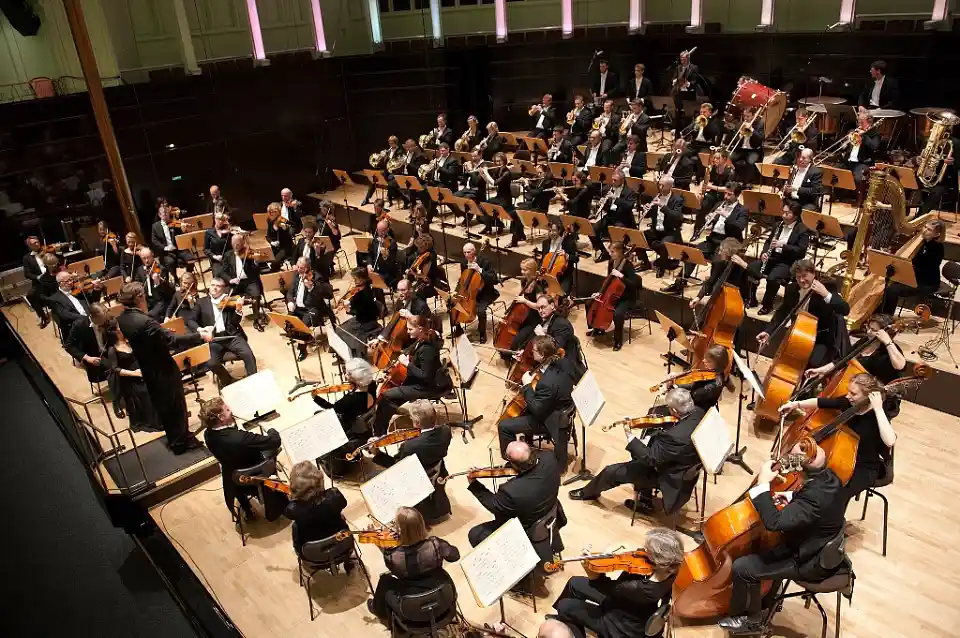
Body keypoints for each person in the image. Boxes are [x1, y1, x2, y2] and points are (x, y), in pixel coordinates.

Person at [718, 441, 846, 634]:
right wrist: (793, 499)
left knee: (743, 567)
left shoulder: (814, 499)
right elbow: (815, 504)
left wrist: (763, 484)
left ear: (797, 468)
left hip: (810, 560)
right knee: (770, 547)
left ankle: (751, 621)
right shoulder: (831, 477)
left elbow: (774, 523)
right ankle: (766, 600)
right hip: (816, 544)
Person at [569, 388, 704, 515]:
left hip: (667, 476)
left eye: (669, 408)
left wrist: (630, 437)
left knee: (612, 471)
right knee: (638, 451)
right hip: (682, 465)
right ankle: (645, 498)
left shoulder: (675, 437)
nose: (668, 411)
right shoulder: (698, 412)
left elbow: (650, 459)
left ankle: (588, 492)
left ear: (675, 410)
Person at [117, 282, 212, 454]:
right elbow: (172, 340)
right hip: (163, 369)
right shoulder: (145, 322)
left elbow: (154, 337)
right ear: (139, 297)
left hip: (147, 367)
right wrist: (200, 335)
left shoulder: (123, 318)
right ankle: (180, 442)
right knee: (176, 405)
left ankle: (177, 436)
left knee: (165, 406)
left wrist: (159, 332)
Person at [781, 371, 898, 509]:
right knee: (796, 462)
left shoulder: (877, 416)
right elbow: (823, 402)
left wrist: (878, 409)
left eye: (853, 393)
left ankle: (829, 524)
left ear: (868, 396)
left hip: (863, 467)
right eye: (848, 392)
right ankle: (785, 491)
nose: (848, 396)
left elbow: (890, 441)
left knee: (833, 491)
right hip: (839, 456)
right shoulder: (850, 403)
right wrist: (796, 404)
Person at [552, 527, 684, 638]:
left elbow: (601, 584)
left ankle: (568, 623)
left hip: (621, 626)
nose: (643, 551)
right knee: (574, 583)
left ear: (659, 561)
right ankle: (565, 619)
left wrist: (588, 565)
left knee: (564, 606)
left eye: (648, 551)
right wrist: (619, 554)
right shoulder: (672, 568)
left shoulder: (641, 588)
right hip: (633, 607)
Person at [468, 441, 566, 574]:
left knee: (475, 534)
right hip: (549, 513)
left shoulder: (511, 491)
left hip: (527, 529)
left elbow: (494, 505)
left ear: (514, 463)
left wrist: (474, 484)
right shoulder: (549, 458)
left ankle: (510, 571)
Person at [804, 313, 907, 418]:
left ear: (884, 333)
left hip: (875, 399)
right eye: (869, 328)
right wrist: (820, 370)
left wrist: (888, 342)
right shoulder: (864, 342)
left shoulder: (889, 350)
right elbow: (842, 360)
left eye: (874, 330)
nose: (869, 332)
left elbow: (900, 366)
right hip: (856, 393)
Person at [368, 507, 460, 621]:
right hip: (443, 597)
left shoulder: (393, 556)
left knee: (385, 580)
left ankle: (378, 610)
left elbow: (395, 569)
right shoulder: (436, 545)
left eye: (394, 524)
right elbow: (455, 556)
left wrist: (380, 541)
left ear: (400, 530)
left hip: (412, 608)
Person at [498, 335, 576, 468]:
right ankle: (526, 442)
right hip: (561, 407)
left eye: (533, 351)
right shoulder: (564, 361)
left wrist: (527, 386)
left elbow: (537, 409)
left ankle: (514, 461)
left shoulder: (547, 383)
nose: (531, 352)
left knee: (504, 426)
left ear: (542, 354)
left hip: (548, 419)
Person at [756, 259, 850, 369]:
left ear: (814, 274)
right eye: (798, 277)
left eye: (805, 276)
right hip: (797, 335)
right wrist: (768, 332)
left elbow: (845, 309)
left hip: (821, 338)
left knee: (812, 365)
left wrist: (825, 294)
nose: (802, 280)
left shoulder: (827, 287)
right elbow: (782, 312)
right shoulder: (791, 289)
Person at [370, 400, 452, 524]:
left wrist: (377, 453)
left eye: (411, 418)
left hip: (416, 477)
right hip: (438, 471)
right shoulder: (446, 431)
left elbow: (397, 467)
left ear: (417, 423)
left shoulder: (410, 446)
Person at [200, 397, 282, 521]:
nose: (231, 410)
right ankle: (276, 494)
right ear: (221, 418)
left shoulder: (207, 435)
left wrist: (231, 425)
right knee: (273, 450)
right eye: (227, 410)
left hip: (234, 478)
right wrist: (270, 428)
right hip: (256, 474)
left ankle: (247, 509)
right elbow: (275, 441)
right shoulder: (241, 438)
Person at [372, 314, 451, 436]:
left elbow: (425, 375)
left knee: (386, 395)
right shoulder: (422, 339)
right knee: (391, 398)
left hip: (427, 387)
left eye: (410, 329)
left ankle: (379, 431)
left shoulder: (427, 349)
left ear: (420, 328)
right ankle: (380, 426)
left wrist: (407, 363)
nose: (407, 332)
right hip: (420, 383)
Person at [669, 182, 748, 294]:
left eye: (729, 194)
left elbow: (740, 227)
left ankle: (710, 288)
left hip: (728, 241)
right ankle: (680, 283)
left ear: (737, 195)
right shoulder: (720, 204)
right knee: (691, 253)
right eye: (725, 193)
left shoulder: (742, 210)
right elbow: (712, 220)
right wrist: (709, 219)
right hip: (713, 238)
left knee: (718, 262)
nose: (726, 196)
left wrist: (726, 215)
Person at [315, 358, 377, 477]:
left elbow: (331, 409)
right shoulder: (372, 385)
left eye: (348, 374)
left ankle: (334, 467)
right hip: (365, 426)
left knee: (318, 417)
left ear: (356, 377)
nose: (345, 375)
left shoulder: (350, 400)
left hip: (352, 431)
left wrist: (316, 397)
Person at [196, 277, 258, 386]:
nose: (214, 288)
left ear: (223, 289)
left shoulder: (228, 301)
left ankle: (253, 381)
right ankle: (227, 379)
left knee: (248, 355)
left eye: (218, 286)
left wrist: (238, 309)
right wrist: (200, 329)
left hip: (232, 337)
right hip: (214, 340)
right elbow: (191, 319)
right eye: (212, 285)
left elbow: (234, 323)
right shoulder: (201, 302)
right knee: (211, 363)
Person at [103, 317, 161, 431]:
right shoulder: (112, 350)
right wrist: (134, 373)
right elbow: (115, 369)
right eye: (119, 328)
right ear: (115, 332)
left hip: (142, 373)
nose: (122, 330)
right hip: (130, 380)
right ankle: (151, 421)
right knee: (145, 392)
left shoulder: (128, 341)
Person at [66, 303, 123, 418]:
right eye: (101, 320)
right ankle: (117, 402)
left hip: (111, 350)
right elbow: (69, 345)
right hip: (96, 357)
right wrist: (87, 358)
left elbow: (116, 336)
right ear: (92, 317)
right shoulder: (80, 325)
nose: (104, 322)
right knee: (113, 369)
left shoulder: (108, 320)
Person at [753, 200, 810, 315]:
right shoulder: (777, 225)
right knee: (750, 268)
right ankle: (751, 298)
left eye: (787, 213)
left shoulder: (802, 230)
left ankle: (767, 305)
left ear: (796, 215)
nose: (783, 215)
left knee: (772, 278)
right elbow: (768, 242)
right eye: (783, 212)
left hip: (787, 262)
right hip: (772, 257)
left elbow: (801, 252)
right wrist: (764, 253)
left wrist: (783, 246)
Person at [880, 220, 945, 314]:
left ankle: (886, 316)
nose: (924, 230)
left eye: (929, 230)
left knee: (892, 289)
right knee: (887, 281)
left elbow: (924, 269)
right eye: (925, 227)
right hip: (916, 277)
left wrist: (904, 268)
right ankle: (881, 312)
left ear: (937, 234)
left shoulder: (937, 249)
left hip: (926, 283)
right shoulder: (925, 242)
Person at [284, 461, 349, 554]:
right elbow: (343, 503)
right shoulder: (334, 496)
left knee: (295, 526)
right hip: (342, 544)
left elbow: (286, 511)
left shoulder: (293, 509)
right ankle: (350, 560)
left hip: (312, 554)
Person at [588, 242, 640, 352]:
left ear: (620, 252)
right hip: (612, 294)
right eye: (610, 251)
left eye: (613, 252)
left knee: (618, 314)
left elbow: (634, 285)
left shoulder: (628, 266)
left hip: (626, 297)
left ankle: (618, 341)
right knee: (590, 303)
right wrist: (600, 292)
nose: (610, 254)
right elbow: (608, 280)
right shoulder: (611, 262)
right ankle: (597, 328)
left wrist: (621, 276)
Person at [688, 239, 752, 319]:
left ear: (728, 253)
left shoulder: (742, 268)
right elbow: (710, 282)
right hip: (718, 299)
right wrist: (698, 297)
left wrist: (745, 266)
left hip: (737, 301)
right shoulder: (717, 264)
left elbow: (756, 278)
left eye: (721, 250)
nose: (718, 253)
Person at [451, 242, 499, 343]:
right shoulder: (464, 263)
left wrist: (480, 270)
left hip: (485, 293)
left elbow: (494, 279)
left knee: (480, 311)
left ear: (474, 251)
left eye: (468, 252)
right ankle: (458, 329)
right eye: (464, 252)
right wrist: (456, 292)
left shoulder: (485, 262)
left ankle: (482, 333)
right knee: (452, 305)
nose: (466, 255)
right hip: (468, 293)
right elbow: (462, 279)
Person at [638, 176, 684, 277]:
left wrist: (662, 206)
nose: (660, 187)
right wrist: (647, 209)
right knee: (637, 238)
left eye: (662, 185)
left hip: (670, 231)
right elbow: (651, 216)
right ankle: (645, 263)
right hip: (655, 230)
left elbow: (677, 217)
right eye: (659, 184)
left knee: (664, 245)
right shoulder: (656, 196)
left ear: (670, 186)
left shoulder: (677, 200)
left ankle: (662, 267)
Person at [590, 171, 638, 263]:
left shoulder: (629, 192)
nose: (613, 182)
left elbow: (629, 206)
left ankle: (621, 256)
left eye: (615, 180)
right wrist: (602, 203)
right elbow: (607, 208)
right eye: (612, 179)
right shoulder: (608, 188)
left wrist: (615, 198)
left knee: (618, 233)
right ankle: (603, 252)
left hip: (622, 219)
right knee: (592, 230)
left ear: (622, 181)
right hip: (610, 216)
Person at [335, 267, 382, 359]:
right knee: (341, 328)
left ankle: (354, 354)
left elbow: (356, 310)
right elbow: (355, 303)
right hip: (364, 317)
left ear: (363, 279)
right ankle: (348, 352)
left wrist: (346, 307)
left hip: (366, 321)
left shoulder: (363, 294)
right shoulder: (366, 288)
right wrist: (346, 303)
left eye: (356, 279)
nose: (354, 281)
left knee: (341, 331)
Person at [223, 234, 266, 332]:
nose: (236, 246)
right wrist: (230, 280)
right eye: (234, 244)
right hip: (235, 282)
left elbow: (255, 271)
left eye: (238, 244)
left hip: (249, 281)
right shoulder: (228, 255)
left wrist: (256, 262)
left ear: (243, 243)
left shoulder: (248, 253)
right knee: (224, 297)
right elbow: (223, 271)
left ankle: (256, 320)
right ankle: (230, 322)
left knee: (256, 294)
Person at [506, 258, 548, 353]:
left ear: (532, 270)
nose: (522, 272)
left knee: (517, 340)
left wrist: (524, 301)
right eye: (521, 269)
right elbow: (523, 295)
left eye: (525, 270)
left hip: (534, 318)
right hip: (524, 316)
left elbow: (539, 306)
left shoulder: (538, 286)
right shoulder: (524, 281)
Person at [47, 270, 103, 337]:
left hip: (92, 323)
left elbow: (93, 302)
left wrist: (96, 291)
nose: (70, 282)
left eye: (71, 279)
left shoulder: (78, 291)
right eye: (67, 281)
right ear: (60, 283)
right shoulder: (55, 299)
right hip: (77, 329)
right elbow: (66, 315)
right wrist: (87, 319)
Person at [695, 150, 734, 235]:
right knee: (703, 204)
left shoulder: (730, 172)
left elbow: (727, 189)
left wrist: (711, 187)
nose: (715, 160)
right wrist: (700, 191)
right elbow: (706, 182)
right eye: (714, 158)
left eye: (717, 158)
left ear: (724, 159)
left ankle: (713, 233)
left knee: (716, 210)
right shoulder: (713, 169)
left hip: (724, 196)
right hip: (713, 194)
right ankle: (697, 229)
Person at [150, 204, 192, 281]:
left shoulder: (175, 223)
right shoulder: (155, 226)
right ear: (160, 215)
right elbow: (154, 241)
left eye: (167, 213)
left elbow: (182, 236)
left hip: (178, 249)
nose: (166, 215)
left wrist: (184, 229)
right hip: (166, 252)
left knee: (190, 258)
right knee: (170, 262)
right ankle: (175, 278)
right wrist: (165, 248)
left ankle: (188, 277)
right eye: (164, 213)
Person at [133, 248, 174, 321]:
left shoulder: (161, 269)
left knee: (150, 316)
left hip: (160, 300)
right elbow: (137, 284)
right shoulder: (139, 270)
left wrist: (157, 282)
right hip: (146, 300)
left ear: (152, 256)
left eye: (148, 257)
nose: (146, 260)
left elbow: (166, 291)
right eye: (144, 258)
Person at [843, 112, 882, 190]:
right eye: (858, 121)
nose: (859, 123)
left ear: (869, 122)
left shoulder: (874, 134)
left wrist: (864, 136)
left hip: (863, 163)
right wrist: (846, 142)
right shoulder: (853, 131)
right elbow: (843, 147)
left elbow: (874, 147)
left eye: (861, 121)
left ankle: (859, 199)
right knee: (833, 172)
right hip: (848, 161)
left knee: (858, 178)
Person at [539, 221, 579, 295]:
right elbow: (543, 260)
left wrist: (567, 256)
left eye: (554, 231)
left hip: (564, 277)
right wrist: (540, 270)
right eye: (549, 231)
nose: (551, 233)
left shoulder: (568, 243)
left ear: (559, 230)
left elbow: (576, 259)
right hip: (547, 275)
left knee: (560, 296)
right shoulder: (545, 243)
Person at [363, 135, 403, 207]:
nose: (389, 144)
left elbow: (396, 165)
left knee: (390, 181)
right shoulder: (388, 151)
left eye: (391, 143)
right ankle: (367, 198)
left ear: (396, 142)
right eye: (389, 142)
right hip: (387, 172)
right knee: (374, 178)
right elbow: (384, 164)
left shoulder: (400, 151)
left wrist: (387, 157)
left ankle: (391, 198)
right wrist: (382, 157)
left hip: (395, 173)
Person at [728, 107, 765, 184]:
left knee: (750, 161)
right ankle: (735, 178)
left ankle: (748, 182)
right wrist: (739, 135)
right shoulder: (740, 124)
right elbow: (734, 139)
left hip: (754, 150)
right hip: (741, 149)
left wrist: (752, 130)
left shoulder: (759, 124)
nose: (745, 118)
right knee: (730, 157)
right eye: (744, 116)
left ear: (753, 116)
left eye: (748, 116)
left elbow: (760, 139)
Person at [781, 148, 823, 212]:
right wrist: (784, 190)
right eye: (799, 157)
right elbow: (788, 185)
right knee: (776, 202)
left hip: (806, 202)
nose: (800, 159)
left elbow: (815, 191)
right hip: (792, 200)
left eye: (803, 158)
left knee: (802, 209)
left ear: (810, 159)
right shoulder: (794, 168)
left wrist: (796, 189)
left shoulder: (816, 172)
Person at [23, 236, 52, 327]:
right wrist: (37, 277)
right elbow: (27, 274)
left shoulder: (48, 251)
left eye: (37, 241)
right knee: (30, 295)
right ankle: (42, 316)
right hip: (40, 282)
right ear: (29, 246)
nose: (37, 244)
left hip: (52, 279)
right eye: (33, 243)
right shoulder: (27, 258)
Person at [203, 213, 234, 281]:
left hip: (229, 258)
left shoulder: (228, 232)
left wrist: (229, 228)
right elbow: (206, 249)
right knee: (218, 273)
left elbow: (233, 246)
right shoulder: (209, 232)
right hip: (217, 261)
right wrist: (214, 256)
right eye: (219, 219)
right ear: (215, 219)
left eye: (222, 220)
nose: (220, 221)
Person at [265, 202, 294, 272]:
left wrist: (285, 229)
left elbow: (292, 226)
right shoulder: (270, 221)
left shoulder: (283, 220)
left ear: (279, 212)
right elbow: (268, 236)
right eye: (271, 212)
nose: (273, 214)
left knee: (275, 262)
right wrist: (272, 242)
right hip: (274, 247)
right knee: (264, 258)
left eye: (275, 212)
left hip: (285, 247)